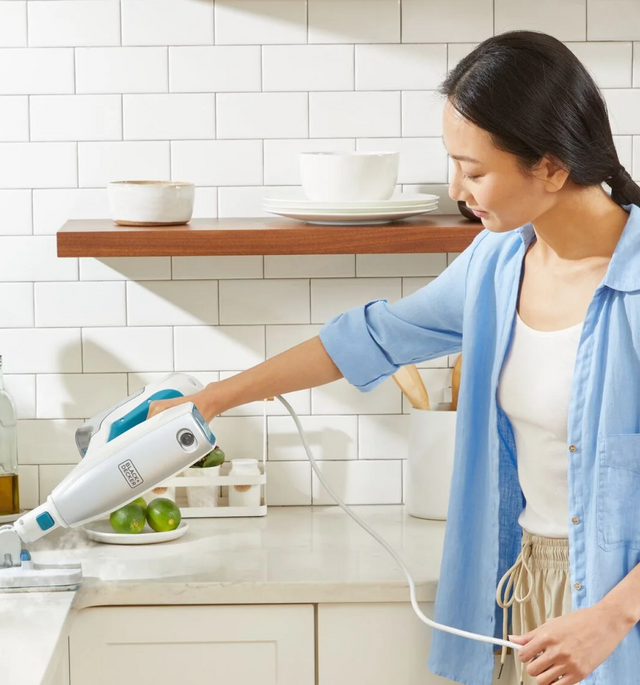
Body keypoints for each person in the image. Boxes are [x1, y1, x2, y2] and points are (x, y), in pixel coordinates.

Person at [147, 30, 640, 685]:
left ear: (550, 166)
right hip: (534, 591)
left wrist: (613, 614)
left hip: (621, 610)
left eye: (474, 169)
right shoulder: (497, 266)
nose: (455, 186)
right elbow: (371, 336)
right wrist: (210, 400)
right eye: (452, 162)